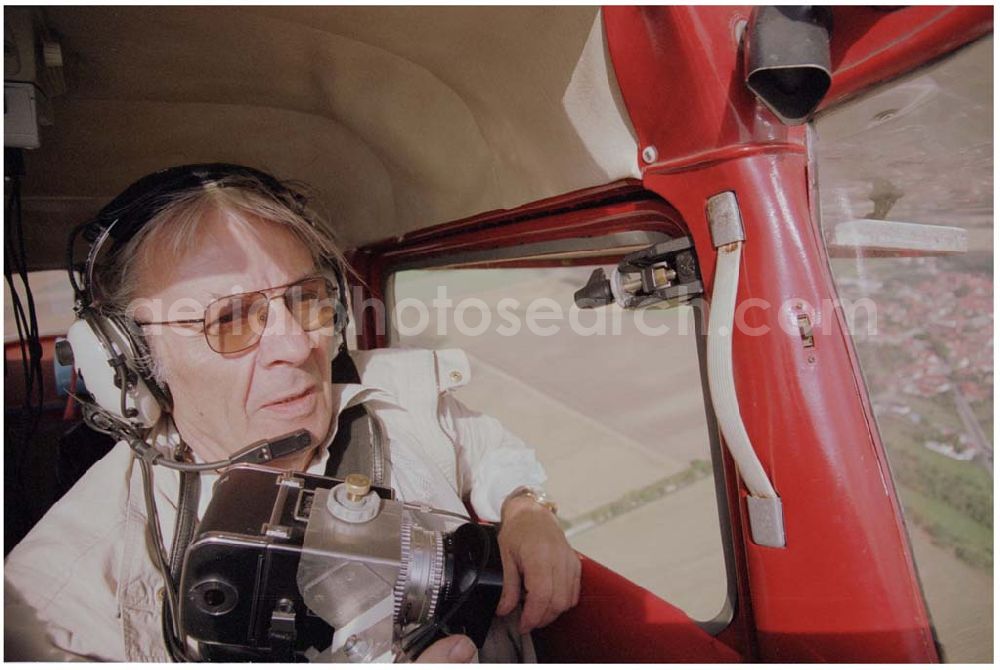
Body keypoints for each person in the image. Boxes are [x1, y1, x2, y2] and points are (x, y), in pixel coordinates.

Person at [4, 164, 580, 662]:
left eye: (305, 299)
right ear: (131, 363)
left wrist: (526, 508)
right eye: (229, 319)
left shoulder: (397, 395)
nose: (298, 345)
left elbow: (481, 450)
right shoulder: (57, 599)